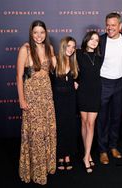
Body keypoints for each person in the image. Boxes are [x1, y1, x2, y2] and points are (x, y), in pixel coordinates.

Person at [16, 20, 57, 185]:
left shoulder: (50, 49)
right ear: (31, 33)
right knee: (35, 134)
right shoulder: (25, 49)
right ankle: (34, 171)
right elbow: (19, 77)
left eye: (41, 32)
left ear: (46, 33)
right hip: (31, 96)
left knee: (48, 130)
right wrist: (21, 99)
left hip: (47, 95)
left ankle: (46, 166)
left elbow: (56, 68)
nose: (39, 36)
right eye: (35, 32)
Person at [97, 12, 122, 164]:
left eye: (113, 25)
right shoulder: (100, 40)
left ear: (120, 26)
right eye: (108, 25)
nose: (110, 28)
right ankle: (102, 150)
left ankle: (113, 146)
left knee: (116, 117)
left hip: (120, 83)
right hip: (103, 83)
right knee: (102, 119)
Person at [50, 36, 79, 171]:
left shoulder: (74, 62)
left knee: (70, 127)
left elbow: (80, 77)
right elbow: (49, 81)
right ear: (63, 46)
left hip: (71, 99)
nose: (71, 49)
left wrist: (77, 82)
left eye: (73, 47)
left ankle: (67, 155)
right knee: (59, 127)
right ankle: (60, 156)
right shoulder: (55, 60)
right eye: (68, 46)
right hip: (58, 99)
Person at [77, 31, 102, 173]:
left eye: (96, 40)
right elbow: (65, 62)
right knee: (84, 122)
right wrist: (74, 81)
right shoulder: (78, 53)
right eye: (92, 39)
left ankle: (86, 157)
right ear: (86, 40)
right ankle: (88, 153)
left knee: (91, 124)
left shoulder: (100, 56)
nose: (94, 42)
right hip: (82, 92)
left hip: (95, 92)